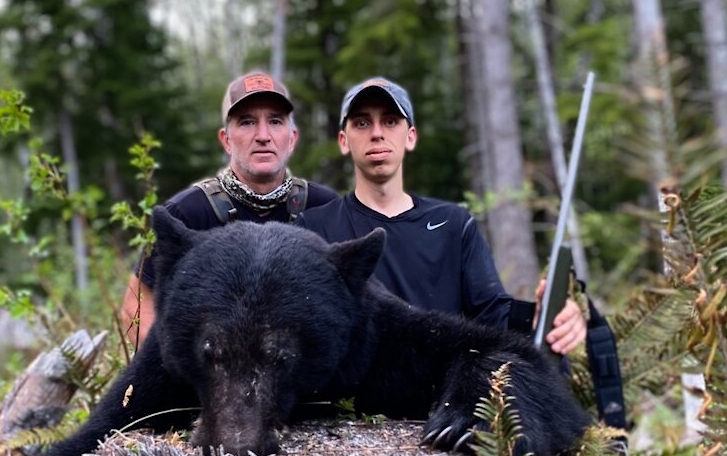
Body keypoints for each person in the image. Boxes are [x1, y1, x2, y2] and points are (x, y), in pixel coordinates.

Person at [295, 77, 586, 354]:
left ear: (410, 137)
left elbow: (493, 314)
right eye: (361, 123)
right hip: (349, 403)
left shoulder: (454, 225)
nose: (377, 132)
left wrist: (542, 316)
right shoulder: (314, 228)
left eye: (390, 121)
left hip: (443, 399)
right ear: (344, 141)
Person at [120, 72, 339, 347]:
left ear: (292, 138)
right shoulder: (187, 213)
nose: (263, 136)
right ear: (226, 139)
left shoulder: (324, 206)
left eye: (275, 121)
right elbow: (135, 306)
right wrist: (179, 373)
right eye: (247, 122)